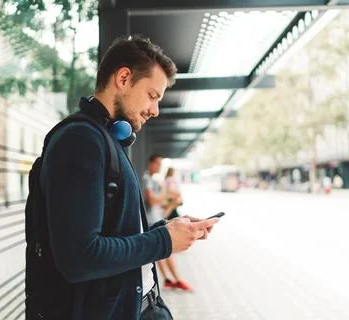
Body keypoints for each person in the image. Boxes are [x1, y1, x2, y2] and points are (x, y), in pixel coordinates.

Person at [35, 36, 219, 319]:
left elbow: (116, 233)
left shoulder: (107, 140)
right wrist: (164, 241)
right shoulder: (80, 141)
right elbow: (80, 258)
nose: (155, 110)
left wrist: (167, 229)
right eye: (152, 95)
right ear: (123, 78)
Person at [143, 157, 193, 292]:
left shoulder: (154, 180)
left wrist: (173, 199)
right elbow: (153, 201)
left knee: (161, 252)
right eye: (158, 163)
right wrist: (167, 198)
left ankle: (168, 279)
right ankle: (177, 279)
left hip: (156, 217)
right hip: (149, 220)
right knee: (166, 249)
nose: (159, 167)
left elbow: (162, 196)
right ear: (151, 163)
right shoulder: (146, 178)